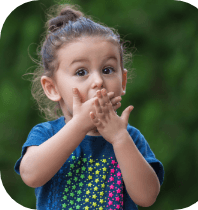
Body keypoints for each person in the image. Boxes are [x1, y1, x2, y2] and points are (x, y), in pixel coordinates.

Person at [14, 3, 164, 210]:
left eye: (108, 69)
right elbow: (30, 175)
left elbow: (147, 197)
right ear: (52, 87)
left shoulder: (130, 138)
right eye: (81, 72)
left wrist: (119, 138)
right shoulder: (46, 134)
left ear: (123, 82)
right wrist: (79, 125)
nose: (98, 81)